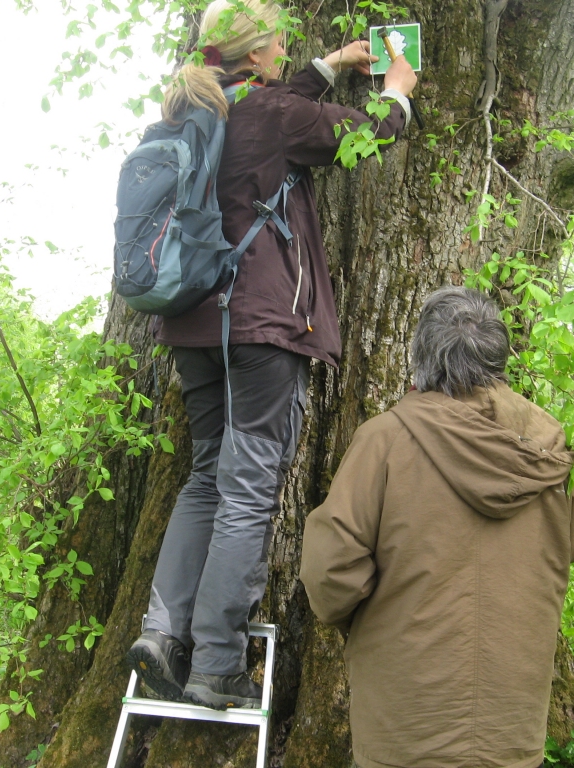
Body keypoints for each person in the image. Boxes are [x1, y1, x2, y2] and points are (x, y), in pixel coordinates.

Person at [124, 0, 419, 711]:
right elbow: (366, 135)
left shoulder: (193, 110)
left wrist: (332, 65)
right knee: (249, 488)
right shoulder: (272, 115)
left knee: (205, 478)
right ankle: (216, 663)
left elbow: (278, 106)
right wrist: (396, 92)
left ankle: (161, 633)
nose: (287, 50)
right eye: (280, 43)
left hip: (191, 324)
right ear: (255, 55)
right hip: (259, 325)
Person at [299, 287, 574, 768]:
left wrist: (364, 623)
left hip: (405, 726)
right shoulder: (553, 447)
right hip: (511, 726)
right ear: (499, 357)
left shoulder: (383, 441)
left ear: (423, 358)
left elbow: (329, 574)